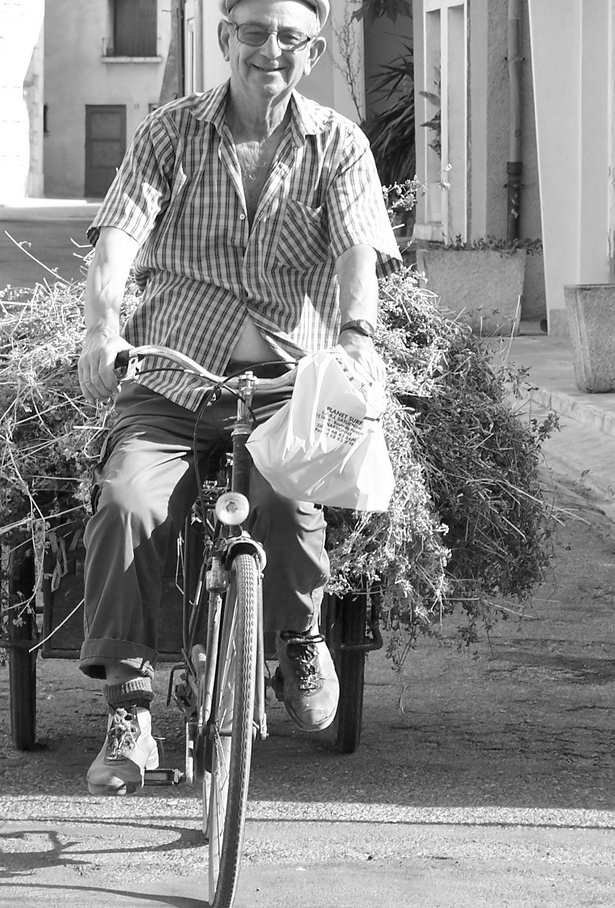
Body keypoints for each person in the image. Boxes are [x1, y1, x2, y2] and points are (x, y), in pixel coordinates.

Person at [76, 0, 401, 796]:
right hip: (174, 382)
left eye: (290, 36)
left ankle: (296, 639)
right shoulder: (171, 133)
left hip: (290, 389)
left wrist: (358, 338)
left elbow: (361, 249)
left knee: (290, 507)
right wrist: (101, 327)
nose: (270, 50)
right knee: (126, 502)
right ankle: (130, 709)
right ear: (225, 39)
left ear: (314, 48)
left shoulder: (338, 145)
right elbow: (118, 239)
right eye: (254, 32)